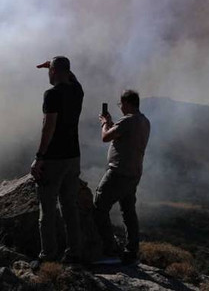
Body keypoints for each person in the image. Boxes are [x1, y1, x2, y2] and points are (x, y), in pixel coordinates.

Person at [30, 56, 84, 266]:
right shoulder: (77, 90)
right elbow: (72, 77)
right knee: (70, 206)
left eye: (50, 71)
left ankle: (48, 257)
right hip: (74, 157)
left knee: (47, 210)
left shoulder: (51, 94)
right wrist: (56, 65)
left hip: (54, 159)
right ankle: (74, 252)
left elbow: (48, 127)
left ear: (53, 72)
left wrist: (39, 157)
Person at [94, 89, 150, 264]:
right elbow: (120, 135)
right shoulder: (144, 121)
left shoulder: (128, 120)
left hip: (119, 172)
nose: (120, 108)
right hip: (133, 173)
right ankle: (131, 251)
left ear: (127, 103)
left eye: (121, 104)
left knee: (99, 207)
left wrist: (104, 123)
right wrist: (111, 123)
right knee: (128, 211)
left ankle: (109, 249)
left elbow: (105, 137)